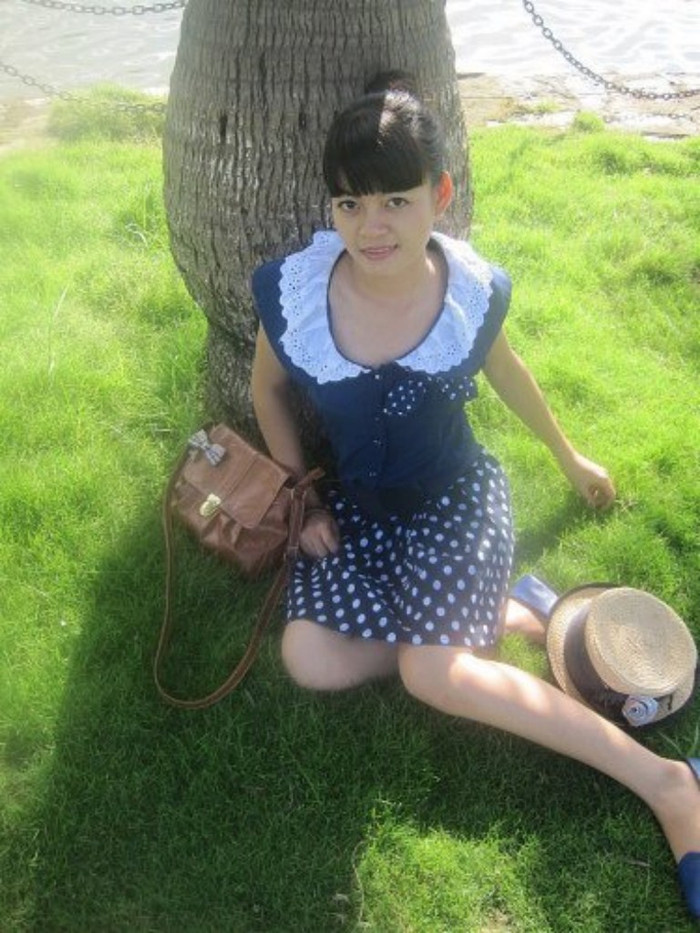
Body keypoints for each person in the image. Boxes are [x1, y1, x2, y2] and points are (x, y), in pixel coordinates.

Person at [250, 74, 699, 917]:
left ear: (440, 194)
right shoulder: (298, 292)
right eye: (349, 203)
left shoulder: (467, 291)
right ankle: (494, 612)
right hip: (358, 515)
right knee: (307, 659)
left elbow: (509, 373)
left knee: (431, 673)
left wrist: (569, 457)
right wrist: (300, 497)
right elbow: (266, 389)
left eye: (395, 199)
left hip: (456, 501)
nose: (371, 225)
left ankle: (667, 781)